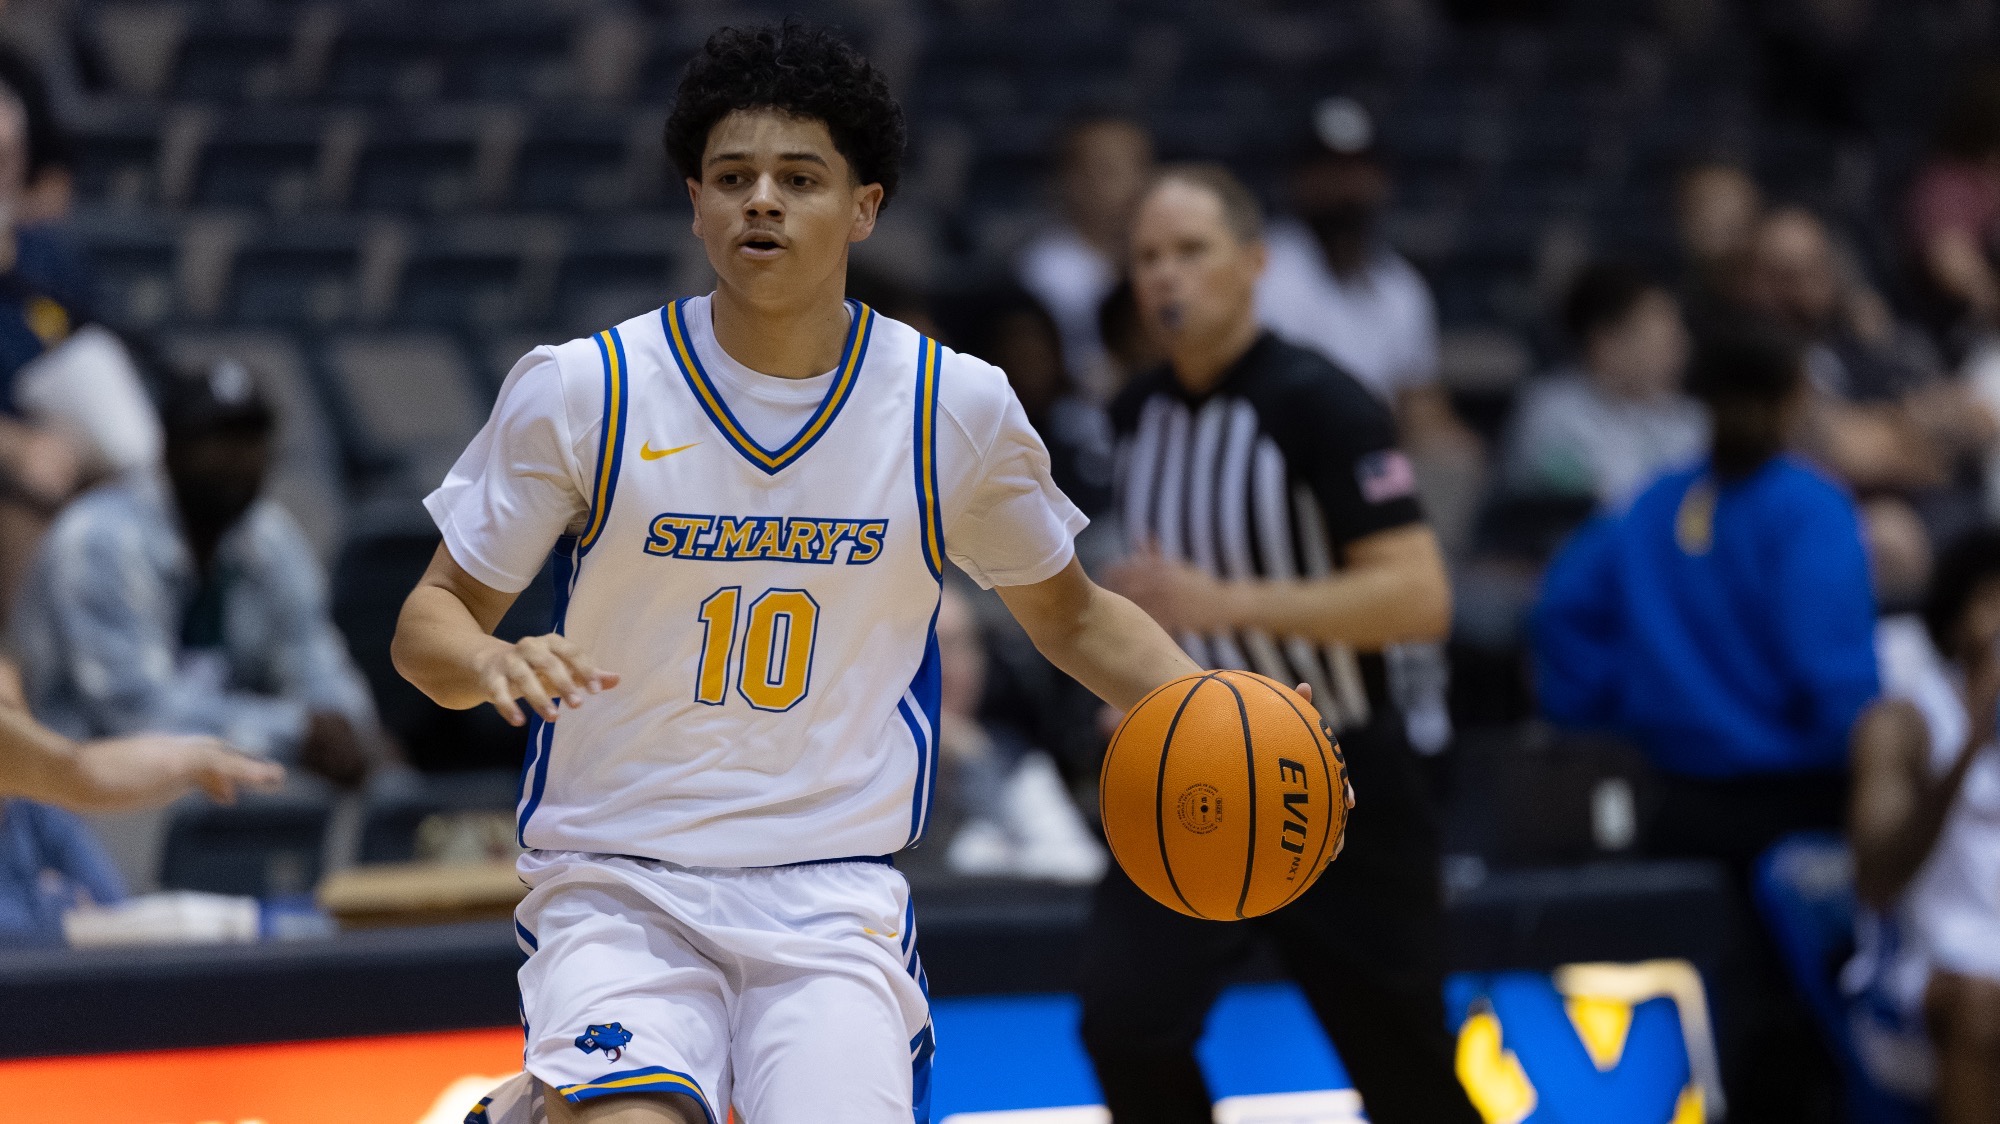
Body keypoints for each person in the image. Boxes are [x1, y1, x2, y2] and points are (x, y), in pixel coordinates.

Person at [393, 26, 1239, 1124]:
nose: (762, 203)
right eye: (733, 178)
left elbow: (1072, 616)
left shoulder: (953, 407)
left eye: (799, 179)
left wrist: (1223, 713)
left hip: (830, 890)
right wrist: (488, 656)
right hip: (621, 879)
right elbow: (428, 623)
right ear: (694, 201)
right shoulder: (585, 387)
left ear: (865, 206)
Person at [1082, 164, 1474, 1124]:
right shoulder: (1137, 415)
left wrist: (1226, 599)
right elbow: (1163, 596)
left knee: (1407, 1074)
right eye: (1147, 258)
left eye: (1191, 252)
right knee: (1126, 1024)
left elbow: (1419, 597)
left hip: (1341, 781)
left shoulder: (1323, 402)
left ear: (1254, 264)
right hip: (1198, 777)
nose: (1166, 277)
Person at [1535, 326, 1874, 1123]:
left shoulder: (1652, 501)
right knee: (1799, 1040)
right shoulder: (1809, 507)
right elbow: (1834, 681)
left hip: (1675, 803)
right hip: (1800, 809)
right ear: (1798, 397)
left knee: (1706, 1023)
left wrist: (1612, 706)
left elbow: (1559, 612)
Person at [9, 359, 384, 787]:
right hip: (87, 785)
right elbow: (136, 715)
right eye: (215, 442)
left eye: (250, 441)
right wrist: (298, 732)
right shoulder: (101, 538)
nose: (235, 461)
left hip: (226, 773)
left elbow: (317, 661)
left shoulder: (271, 537)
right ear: (169, 450)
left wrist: (353, 730)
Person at [1845, 529, 2000, 1124]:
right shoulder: (1902, 723)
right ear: (1957, 616)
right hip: (1917, 968)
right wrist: (1969, 748)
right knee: (1982, 1005)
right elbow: (1877, 877)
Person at [899, 582, 1105, 884]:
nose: (944, 669)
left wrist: (981, 768)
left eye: (957, 646)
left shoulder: (1009, 758)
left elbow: (1078, 865)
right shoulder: (854, 758)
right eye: (925, 649)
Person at [1504, 262, 1705, 509]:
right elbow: (1582, 510)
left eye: (1676, 336)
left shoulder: (1690, 421)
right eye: (1658, 339)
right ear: (1604, 344)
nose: (1679, 349)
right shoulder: (1552, 412)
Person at [1016, 114, 1154, 400]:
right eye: (1107, 169)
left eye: (1135, 166)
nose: (1130, 184)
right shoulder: (1045, 269)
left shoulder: (1171, 260)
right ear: (1071, 179)